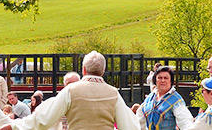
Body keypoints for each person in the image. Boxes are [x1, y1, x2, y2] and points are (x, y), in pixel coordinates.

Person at [11, 51, 139, 130]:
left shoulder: (71, 91)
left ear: (83, 69)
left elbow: (42, 120)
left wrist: (10, 126)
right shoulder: (113, 94)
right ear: (103, 71)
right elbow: (130, 126)